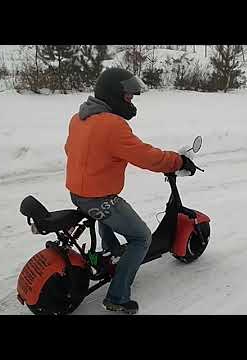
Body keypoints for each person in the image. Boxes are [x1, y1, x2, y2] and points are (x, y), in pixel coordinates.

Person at [64, 68, 196, 314]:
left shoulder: (79, 118)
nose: (130, 101)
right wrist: (178, 161)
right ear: (114, 94)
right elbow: (147, 157)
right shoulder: (112, 125)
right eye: (128, 96)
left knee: (108, 213)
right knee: (141, 238)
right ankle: (117, 297)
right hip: (99, 197)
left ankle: (113, 255)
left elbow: (69, 149)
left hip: (78, 194)